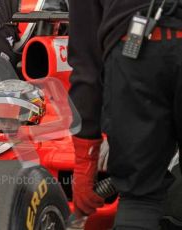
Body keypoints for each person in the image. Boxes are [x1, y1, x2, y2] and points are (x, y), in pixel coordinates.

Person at [69, 0, 182, 229]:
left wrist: (85, 161)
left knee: (140, 199)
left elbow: (86, 61)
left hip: (134, 50)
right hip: (133, 42)